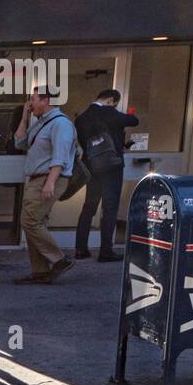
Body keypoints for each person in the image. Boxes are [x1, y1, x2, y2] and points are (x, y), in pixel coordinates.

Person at [13, 86, 78, 284]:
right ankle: (40, 271)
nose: (30, 104)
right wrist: (24, 118)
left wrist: (50, 182)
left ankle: (59, 259)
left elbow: (60, 156)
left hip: (48, 178)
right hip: (37, 179)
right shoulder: (42, 123)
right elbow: (20, 143)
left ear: (45, 100)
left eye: (33, 99)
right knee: (36, 223)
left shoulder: (61, 124)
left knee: (29, 221)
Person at [74, 88, 138, 262]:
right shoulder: (111, 113)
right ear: (111, 100)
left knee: (89, 206)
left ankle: (80, 249)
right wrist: (127, 112)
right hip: (111, 166)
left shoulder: (82, 117)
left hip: (92, 166)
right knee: (110, 208)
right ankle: (106, 251)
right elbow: (134, 121)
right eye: (114, 103)